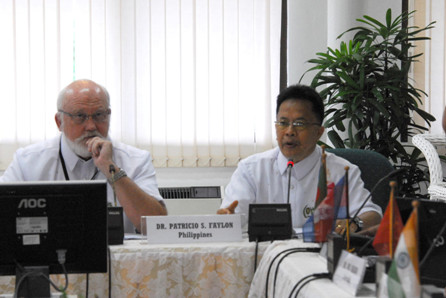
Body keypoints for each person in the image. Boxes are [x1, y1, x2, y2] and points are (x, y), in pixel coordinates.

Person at [0, 79, 167, 232]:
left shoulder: (136, 160)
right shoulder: (28, 161)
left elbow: (157, 227)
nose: (90, 126)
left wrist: (112, 170)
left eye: (99, 115)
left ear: (109, 116)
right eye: (80, 116)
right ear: (59, 122)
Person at [218, 84, 382, 234]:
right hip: (265, 259)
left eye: (299, 124)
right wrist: (226, 219)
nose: (289, 131)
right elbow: (231, 218)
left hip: (321, 260)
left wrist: (356, 223)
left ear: (318, 132)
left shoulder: (342, 171)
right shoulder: (251, 170)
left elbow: (372, 215)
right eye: (283, 123)